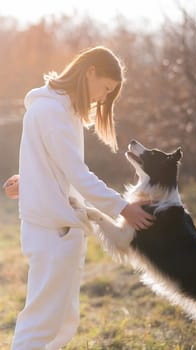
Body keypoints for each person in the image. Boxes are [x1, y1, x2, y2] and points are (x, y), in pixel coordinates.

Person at [4, 46, 155, 350]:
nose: (102, 97)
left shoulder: (60, 110)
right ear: (90, 72)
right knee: (41, 324)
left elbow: (50, 161)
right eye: (105, 88)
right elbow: (78, 174)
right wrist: (122, 207)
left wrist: (31, 179)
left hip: (62, 227)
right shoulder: (51, 112)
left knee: (62, 321)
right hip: (52, 230)